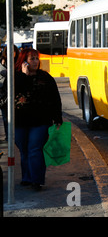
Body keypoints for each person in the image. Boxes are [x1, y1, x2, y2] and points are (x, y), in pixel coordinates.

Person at [14, 48, 62, 191]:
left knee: (35, 148)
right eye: (31, 59)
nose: (35, 61)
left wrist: (57, 116)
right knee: (24, 150)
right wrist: (25, 75)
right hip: (20, 120)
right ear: (23, 61)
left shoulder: (45, 77)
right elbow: (14, 91)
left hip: (41, 120)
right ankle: (27, 177)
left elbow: (55, 97)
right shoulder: (16, 77)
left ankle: (36, 180)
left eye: (36, 58)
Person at [0, 45, 19, 141]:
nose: (11, 53)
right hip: (4, 95)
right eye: (9, 51)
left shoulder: (19, 63)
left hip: (16, 94)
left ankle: (15, 136)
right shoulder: (2, 63)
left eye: (13, 51)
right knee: (5, 118)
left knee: (15, 117)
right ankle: (9, 137)